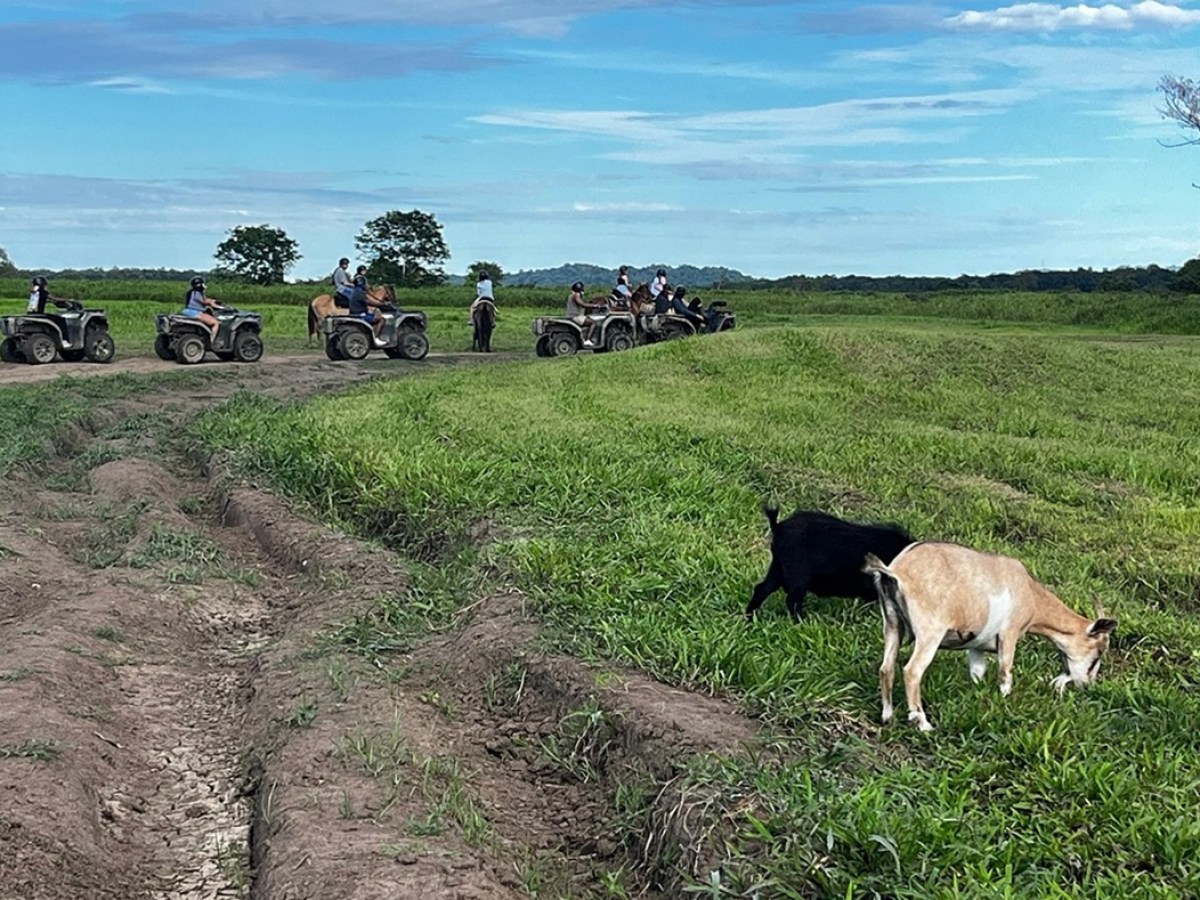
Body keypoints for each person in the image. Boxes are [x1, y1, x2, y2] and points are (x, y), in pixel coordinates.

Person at [348, 274, 388, 342]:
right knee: (381, 319)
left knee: (371, 315)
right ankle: (375, 338)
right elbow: (369, 302)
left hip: (354, 314)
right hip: (361, 315)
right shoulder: (360, 293)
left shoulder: (354, 291)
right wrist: (382, 304)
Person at [181, 276, 222, 340]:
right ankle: (211, 341)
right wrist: (218, 306)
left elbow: (206, 299)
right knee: (215, 323)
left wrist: (213, 300)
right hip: (195, 312)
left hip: (187, 311)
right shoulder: (197, 293)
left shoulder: (192, 292)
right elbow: (205, 301)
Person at [565, 281, 602, 346]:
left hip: (571, 316)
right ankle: (587, 340)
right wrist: (595, 306)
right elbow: (583, 304)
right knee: (593, 323)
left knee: (588, 318)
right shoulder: (576, 295)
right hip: (575, 316)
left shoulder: (571, 295)